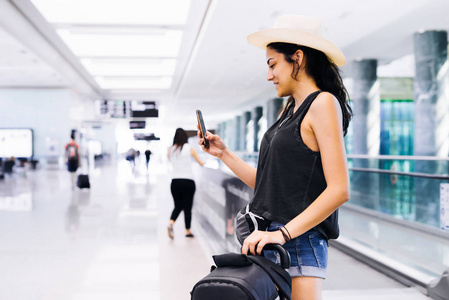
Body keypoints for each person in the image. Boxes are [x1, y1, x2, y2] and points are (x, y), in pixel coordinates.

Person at [198, 15, 352, 300]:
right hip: (270, 240)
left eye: (273, 65)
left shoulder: (323, 103)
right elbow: (270, 185)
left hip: (297, 240)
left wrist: (282, 235)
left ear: (298, 58)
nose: (269, 75)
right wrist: (224, 154)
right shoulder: (289, 110)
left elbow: (340, 189)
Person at [167, 128, 204, 239]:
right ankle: (188, 231)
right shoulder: (190, 148)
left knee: (178, 206)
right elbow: (200, 163)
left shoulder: (171, 149)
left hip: (175, 181)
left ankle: (171, 223)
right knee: (187, 207)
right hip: (188, 181)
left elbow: (170, 161)